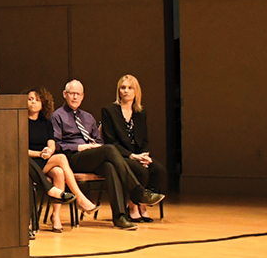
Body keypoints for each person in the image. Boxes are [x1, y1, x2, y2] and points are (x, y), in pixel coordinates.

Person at [50, 80, 164, 230]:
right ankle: (138, 192)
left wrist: (96, 146)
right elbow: (57, 144)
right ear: (65, 94)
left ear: (83, 96)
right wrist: (80, 147)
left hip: (93, 155)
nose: (75, 97)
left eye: (78, 94)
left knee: (109, 166)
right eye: (72, 94)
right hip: (73, 157)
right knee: (109, 149)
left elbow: (98, 140)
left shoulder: (88, 117)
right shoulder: (57, 116)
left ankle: (120, 217)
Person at [24, 87, 96, 232]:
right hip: (30, 162)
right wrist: (40, 154)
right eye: (30, 99)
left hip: (45, 160)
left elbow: (51, 142)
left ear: (43, 103)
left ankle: (55, 216)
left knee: (59, 172)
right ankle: (80, 198)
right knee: (62, 158)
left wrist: (49, 151)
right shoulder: (21, 122)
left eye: (37, 100)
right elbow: (20, 150)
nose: (33, 102)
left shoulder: (46, 123)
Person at [101, 74, 167, 223]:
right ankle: (133, 206)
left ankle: (142, 204)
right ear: (118, 91)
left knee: (159, 170)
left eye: (130, 88)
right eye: (123, 88)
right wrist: (132, 156)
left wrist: (144, 155)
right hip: (120, 155)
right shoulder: (109, 111)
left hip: (138, 154)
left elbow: (144, 139)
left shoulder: (140, 112)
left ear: (136, 91)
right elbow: (111, 142)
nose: (126, 91)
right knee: (141, 171)